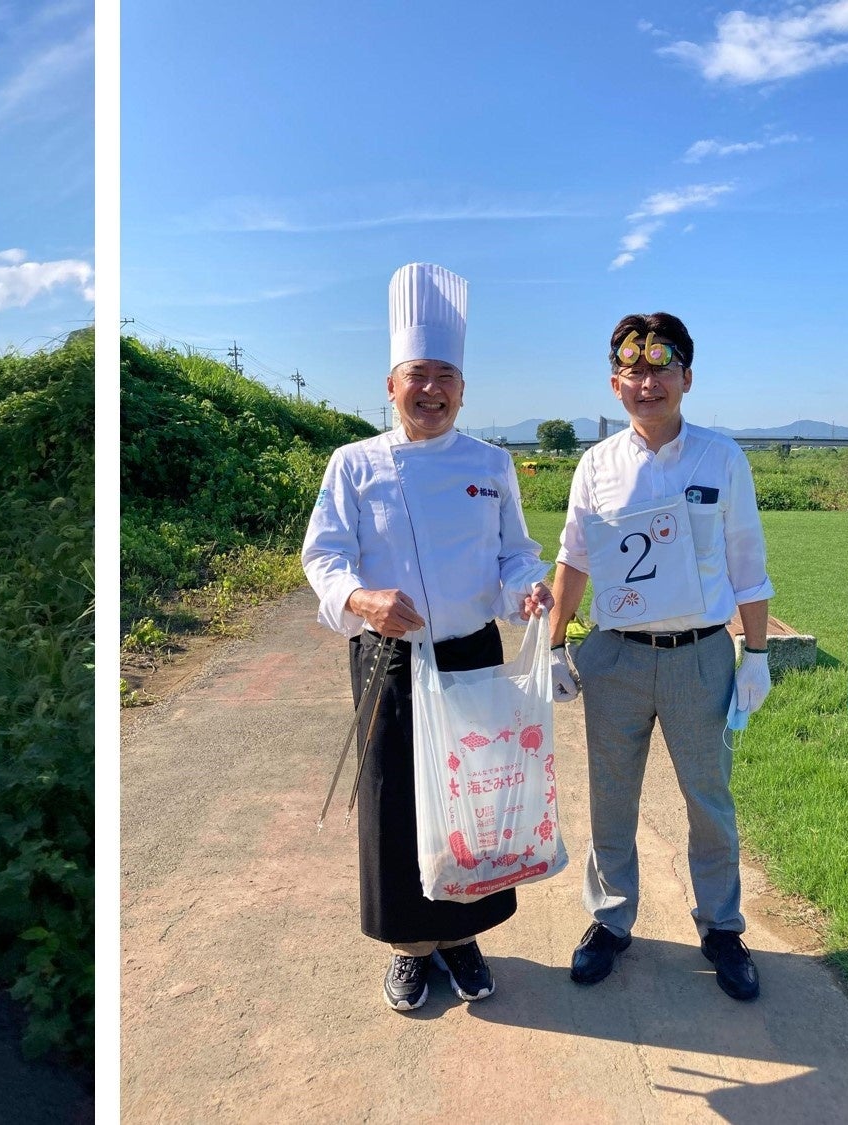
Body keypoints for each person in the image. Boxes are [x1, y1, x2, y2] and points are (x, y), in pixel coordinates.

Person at [301, 263, 552, 1012]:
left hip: (470, 654)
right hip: (387, 657)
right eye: (418, 373)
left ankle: (461, 936)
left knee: (472, 801)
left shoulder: (489, 463)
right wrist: (359, 596)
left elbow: (514, 555)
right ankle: (411, 949)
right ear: (390, 384)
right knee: (394, 803)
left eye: (446, 375)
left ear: (464, 389)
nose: (432, 388)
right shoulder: (352, 464)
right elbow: (323, 554)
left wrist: (526, 592)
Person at [548, 312, 772, 1002]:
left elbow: (747, 561)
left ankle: (721, 925)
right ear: (615, 383)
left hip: (698, 656)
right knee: (611, 797)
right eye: (632, 370)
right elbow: (573, 558)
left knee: (707, 798)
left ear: (686, 377)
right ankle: (610, 921)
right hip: (614, 656)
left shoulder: (719, 457)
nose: (647, 382)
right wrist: (555, 642)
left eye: (660, 367)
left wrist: (755, 652)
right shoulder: (596, 465)